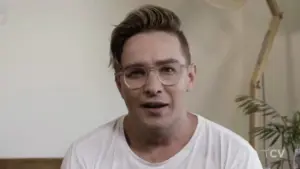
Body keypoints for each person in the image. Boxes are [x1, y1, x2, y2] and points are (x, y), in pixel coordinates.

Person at [61, 4, 263, 169]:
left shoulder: (235, 157)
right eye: (137, 73)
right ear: (119, 85)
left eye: (167, 69)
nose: (153, 87)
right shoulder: (85, 156)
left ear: (190, 77)